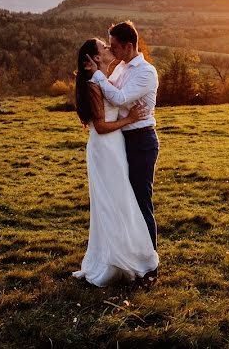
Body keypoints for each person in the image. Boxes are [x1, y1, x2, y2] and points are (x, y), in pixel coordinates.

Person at [72, 38, 159, 286]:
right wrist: (130, 119)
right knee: (113, 204)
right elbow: (100, 126)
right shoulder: (92, 85)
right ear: (97, 58)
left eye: (111, 45)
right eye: (104, 47)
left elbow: (117, 98)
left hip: (115, 146)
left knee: (120, 202)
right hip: (106, 147)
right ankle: (116, 260)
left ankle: (128, 255)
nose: (109, 49)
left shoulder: (107, 77)